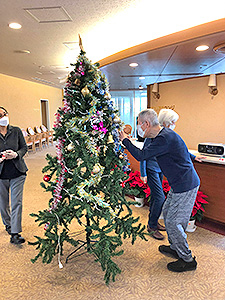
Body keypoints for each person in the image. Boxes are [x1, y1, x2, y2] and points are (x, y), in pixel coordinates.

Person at [119, 109, 200, 272]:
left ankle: (187, 259)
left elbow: (142, 156)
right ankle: (175, 247)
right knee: (169, 214)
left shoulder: (164, 138)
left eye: (139, 124)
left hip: (185, 185)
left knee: (173, 221)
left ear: (146, 124)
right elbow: (182, 150)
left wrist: (125, 140)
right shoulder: (164, 136)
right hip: (179, 184)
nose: (138, 128)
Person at [139, 109, 180, 240]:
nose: (174, 124)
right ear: (166, 122)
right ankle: (151, 226)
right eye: (172, 122)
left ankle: (153, 221)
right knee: (160, 198)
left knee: (157, 198)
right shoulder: (152, 134)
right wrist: (143, 173)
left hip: (160, 170)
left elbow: (178, 146)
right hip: (151, 170)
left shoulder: (166, 134)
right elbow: (143, 155)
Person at [0, 107, 28, 244]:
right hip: (1, 174)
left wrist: (16, 154)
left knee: (16, 202)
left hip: (18, 172)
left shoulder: (16, 130)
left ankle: (15, 233)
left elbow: (24, 148)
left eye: (5, 114)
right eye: (0, 115)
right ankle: (8, 224)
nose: (3, 117)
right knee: (3, 203)